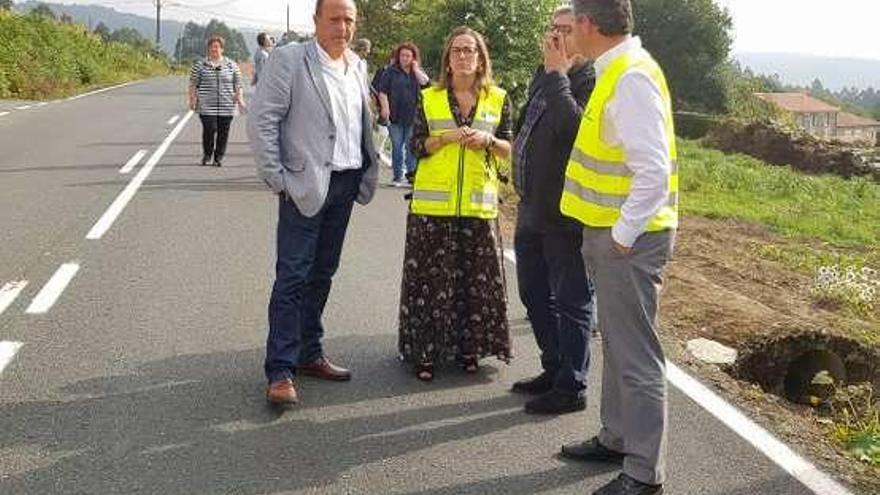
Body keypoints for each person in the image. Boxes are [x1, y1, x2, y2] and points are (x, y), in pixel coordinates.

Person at [551, 1, 678, 494]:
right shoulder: (618, 69)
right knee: (620, 346)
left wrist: (622, 237)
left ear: (587, 24)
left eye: (572, 23)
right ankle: (617, 437)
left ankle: (645, 474)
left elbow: (651, 171)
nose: (567, 33)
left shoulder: (629, 77)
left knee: (636, 356)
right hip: (612, 234)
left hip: (630, 239)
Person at [247, 0, 379, 406]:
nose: (343, 27)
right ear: (317, 21)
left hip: (345, 182)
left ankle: (309, 352)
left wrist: (367, 171)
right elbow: (261, 119)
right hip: (303, 186)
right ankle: (281, 370)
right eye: (335, 18)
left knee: (323, 272)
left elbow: (361, 122)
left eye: (349, 20)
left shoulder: (357, 65)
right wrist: (277, 178)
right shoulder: (290, 60)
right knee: (293, 276)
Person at [397, 26, 514, 382]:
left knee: (474, 287)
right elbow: (414, 145)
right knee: (430, 286)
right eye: (457, 51)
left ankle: (470, 350)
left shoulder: (499, 98)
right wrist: (445, 138)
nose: (463, 56)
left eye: (470, 50)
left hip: (478, 208)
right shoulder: (429, 97)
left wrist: (488, 140)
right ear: (447, 59)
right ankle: (426, 354)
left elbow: (510, 148)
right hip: (433, 211)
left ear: (481, 58)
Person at [511, 5, 596, 416]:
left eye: (566, 29)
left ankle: (572, 386)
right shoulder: (544, 72)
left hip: (566, 214)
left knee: (571, 300)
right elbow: (528, 126)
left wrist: (557, 75)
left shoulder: (589, 79)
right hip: (532, 206)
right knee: (532, 293)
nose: (558, 36)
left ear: (583, 33)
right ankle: (553, 366)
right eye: (553, 28)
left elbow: (573, 129)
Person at [188, 35, 246, 167]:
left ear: (222, 49)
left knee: (223, 132)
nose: (214, 49)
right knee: (210, 129)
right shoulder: (200, 65)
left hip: (227, 105)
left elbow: (238, 84)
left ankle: (218, 157)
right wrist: (192, 100)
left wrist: (240, 100)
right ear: (208, 49)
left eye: (217, 47)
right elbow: (193, 84)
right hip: (206, 105)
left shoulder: (232, 65)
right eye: (212, 47)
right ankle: (207, 154)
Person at [377, 42, 426, 187]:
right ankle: (397, 176)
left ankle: (411, 176)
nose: (405, 58)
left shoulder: (417, 73)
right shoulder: (390, 72)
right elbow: (383, 91)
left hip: (413, 116)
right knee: (397, 147)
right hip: (395, 116)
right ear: (398, 57)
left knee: (410, 147)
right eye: (403, 55)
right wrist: (385, 109)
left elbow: (426, 84)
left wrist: (416, 69)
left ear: (413, 58)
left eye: (408, 56)